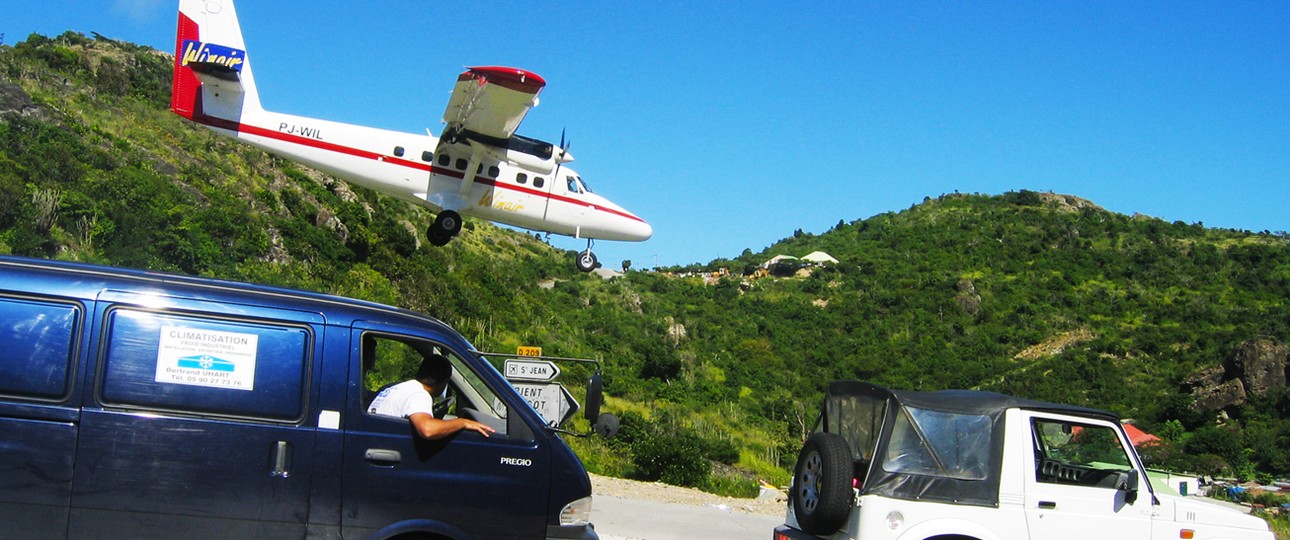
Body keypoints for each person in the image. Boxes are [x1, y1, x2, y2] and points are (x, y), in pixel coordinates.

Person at [368, 353, 495, 439]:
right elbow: (428, 430)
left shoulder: (398, 387)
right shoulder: (419, 394)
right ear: (443, 382)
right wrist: (463, 422)